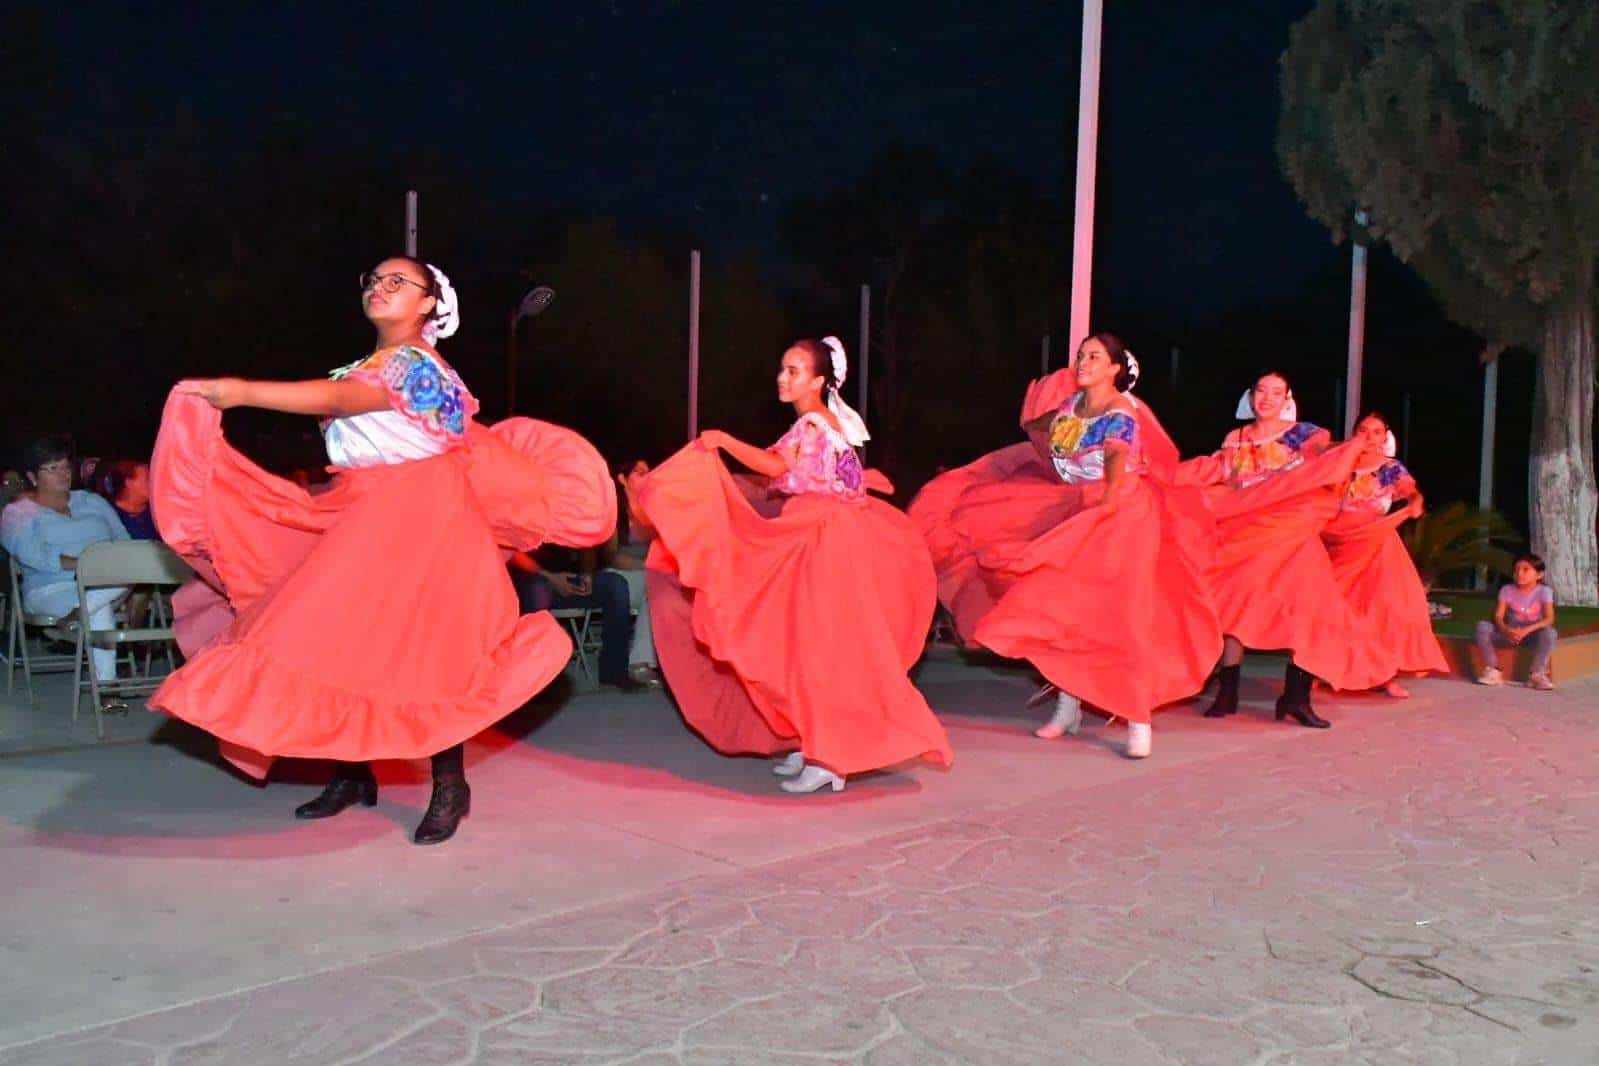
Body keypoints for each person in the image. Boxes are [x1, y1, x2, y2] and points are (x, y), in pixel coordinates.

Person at [147, 256, 614, 844]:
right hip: (367, 510)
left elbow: (343, 403)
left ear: (428, 304)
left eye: (398, 282)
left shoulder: (421, 367)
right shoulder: (365, 365)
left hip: (424, 518)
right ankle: (352, 773)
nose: (379, 288)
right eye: (372, 280)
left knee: (428, 655)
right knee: (342, 641)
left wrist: (241, 392)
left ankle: (449, 784)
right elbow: (348, 415)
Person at [631, 336, 952, 793]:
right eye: (782, 369)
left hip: (818, 541)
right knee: (805, 646)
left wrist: (722, 441)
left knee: (813, 648)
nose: (784, 378)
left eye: (795, 371)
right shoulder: (824, 425)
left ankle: (830, 758)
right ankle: (816, 742)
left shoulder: (813, 426)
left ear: (818, 381)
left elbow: (773, 464)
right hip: (824, 535)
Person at [911, 334, 1220, 759]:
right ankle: (1069, 705)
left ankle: (1137, 719)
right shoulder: (1071, 410)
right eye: (1081, 355)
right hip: (1079, 509)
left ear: (1115, 368)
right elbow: (1049, 438)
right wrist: (1032, 430)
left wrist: (1111, 493)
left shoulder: (1121, 411)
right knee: (1065, 610)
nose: (1084, 361)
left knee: (1120, 616)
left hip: (1124, 514)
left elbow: (1114, 454)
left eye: (1094, 356)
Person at [1183, 371, 1393, 728]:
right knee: (1235, 607)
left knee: (1310, 610)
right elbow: (1223, 476)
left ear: (1286, 399)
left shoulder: (1301, 434)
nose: (1267, 398)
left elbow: (1324, 456)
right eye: (1261, 391)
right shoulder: (1236, 437)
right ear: (1251, 397)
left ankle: (1296, 698)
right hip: (1247, 534)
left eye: (1276, 392)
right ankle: (1227, 691)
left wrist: (1351, 446)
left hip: (1293, 535)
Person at [1322, 413, 1448, 697]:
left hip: (1378, 543)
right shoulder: (1340, 464)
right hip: (1339, 543)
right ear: (1354, 433)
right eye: (1363, 430)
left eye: (1376, 432)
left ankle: (1386, 674)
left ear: (1384, 437)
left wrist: (1415, 503)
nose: (1369, 436)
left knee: (1387, 609)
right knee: (1336, 608)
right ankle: (1328, 670)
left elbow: (1410, 491)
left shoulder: (1389, 468)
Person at [0, 436, 130, 684]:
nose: (63, 474)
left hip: (106, 581)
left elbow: (123, 541)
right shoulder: (17, 513)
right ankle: (106, 685)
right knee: (99, 604)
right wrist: (87, 564)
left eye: (66, 466)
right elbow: (33, 555)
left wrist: (105, 568)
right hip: (52, 589)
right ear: (32, 477)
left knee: (128, 569)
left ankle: (78, 616)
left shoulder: (92, 502)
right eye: (53, 468)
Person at [507, 543, 642, 691]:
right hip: (535, 577)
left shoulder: (573, 521)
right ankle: (538, 680)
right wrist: (551, 577)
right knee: (536, 590)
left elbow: (588, 545)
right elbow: (512, 553)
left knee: (616, 585)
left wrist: (587, 573)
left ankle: (614, 671)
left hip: (571, 578)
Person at [603, 458, 661, 685]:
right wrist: (652, 565)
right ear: (622, 479)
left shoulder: (655, 512)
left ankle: (643, 662)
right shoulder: (614, 512)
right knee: (657, 583)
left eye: (649, 472)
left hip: (648, 578)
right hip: (618, 577)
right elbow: (613, 557)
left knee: (661, 589)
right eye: (639, 472)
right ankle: (639, 662)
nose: (647, 476)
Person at [1475, 553, 1558, 690]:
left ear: (1539, 575)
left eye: (1525, 569)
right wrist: (1506, 630)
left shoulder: (1544, 591)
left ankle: (1536, 674)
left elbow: (1549, 619)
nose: (1520, 573)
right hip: (1509, 633)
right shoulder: (1507, 590)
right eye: (1517, 570)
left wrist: (1526, 630)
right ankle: (1494, 670)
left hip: (1531, 635)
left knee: (1549, 633)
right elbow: (1498, 617)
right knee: (1482, 627)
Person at [97, 460, 159, 540]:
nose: (155, 482)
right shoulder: (106, 516)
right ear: (128, 482)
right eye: (148, 478)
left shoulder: (159, 511)